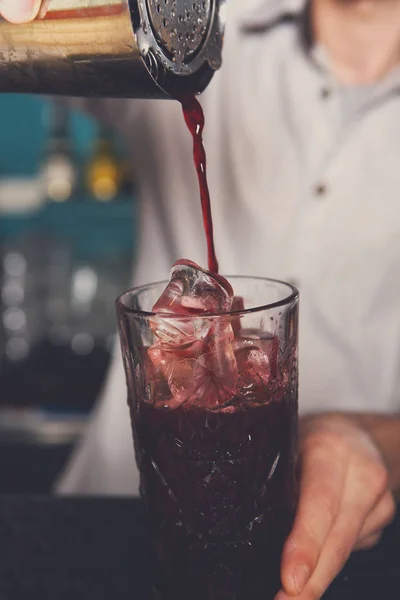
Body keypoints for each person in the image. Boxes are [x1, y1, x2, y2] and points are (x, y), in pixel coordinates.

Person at [2, 0, 400, 598]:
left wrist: (373, 442)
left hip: (328, 549)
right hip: (98, 526)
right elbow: (26, 43)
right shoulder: (200, 24)